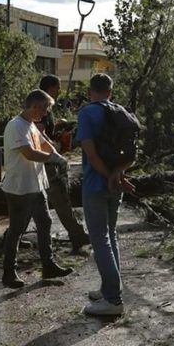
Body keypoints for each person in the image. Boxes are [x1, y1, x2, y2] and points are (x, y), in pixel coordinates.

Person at [1, 89, 74, 289]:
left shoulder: (31, 125)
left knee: (45, 222)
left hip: (36, 185)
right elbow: (30, 153)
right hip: (19, 188)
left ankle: (48, 264)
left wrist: (57, 155)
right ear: (34, 106)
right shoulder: (16, 126)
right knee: (17, 230)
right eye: (44, 109)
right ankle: (9, 272)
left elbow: (45, 144)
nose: (45, 114)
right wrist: (53, 159)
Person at [76, 73, 135, 316]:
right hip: (115, 186)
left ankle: (113, 299)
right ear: (111, 91)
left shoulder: (87, 113)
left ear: (91, 91)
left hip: (95, 185)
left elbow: (90, 154)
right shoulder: (121, 111)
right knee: (111, 236)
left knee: (100, 239)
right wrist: (118, 174)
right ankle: (108, 287)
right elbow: (132, 154)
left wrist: (108, 175)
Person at [38, 74, 89, 254]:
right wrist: (56, 148)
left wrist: (59, 127)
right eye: (58, 87)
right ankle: (77, 235)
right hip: (46, 161)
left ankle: (11, 238)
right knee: (60, 197)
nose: (59, 90)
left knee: (33, 203)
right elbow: (38, 134)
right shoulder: (42, 106)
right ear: (50, 88)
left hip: (42, 160)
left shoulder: (45, 106)